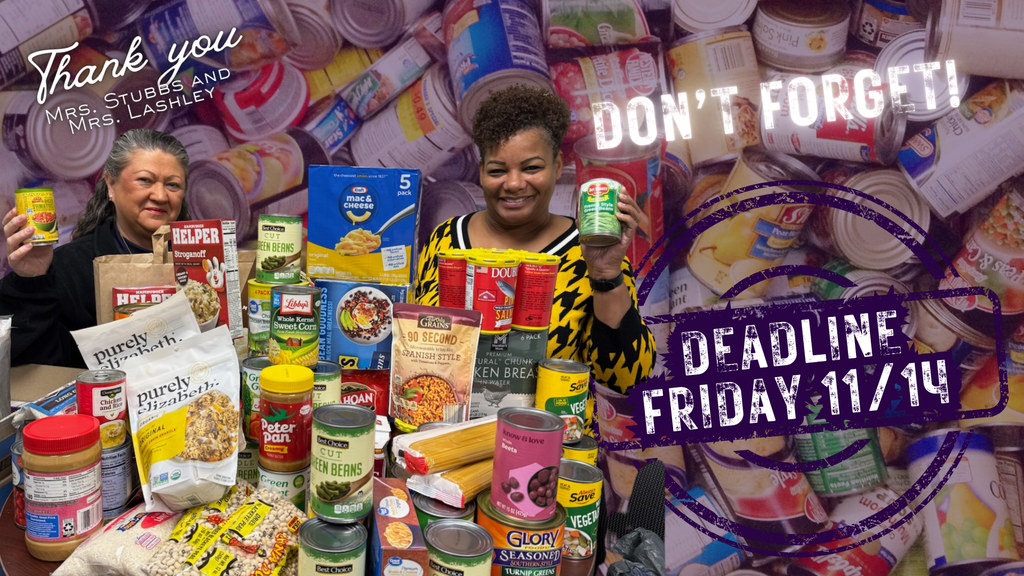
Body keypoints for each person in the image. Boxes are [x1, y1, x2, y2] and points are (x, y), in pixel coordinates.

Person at [415, 84, 656, 429]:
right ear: (481, 172)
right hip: (450, 453)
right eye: (498, 170)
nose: (514, 184)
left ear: (558, 166)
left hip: (552, 461)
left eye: (531, 168)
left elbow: (627, 377)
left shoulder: (586, 252)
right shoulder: (445, 242)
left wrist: (605, 273)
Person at [1, 129, 191, 368]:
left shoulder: (201, 262)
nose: (161, 195)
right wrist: (32, 282)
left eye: (173, 185)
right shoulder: (68, 268)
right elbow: (37, 372)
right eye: (145, 180)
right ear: (111, 184)